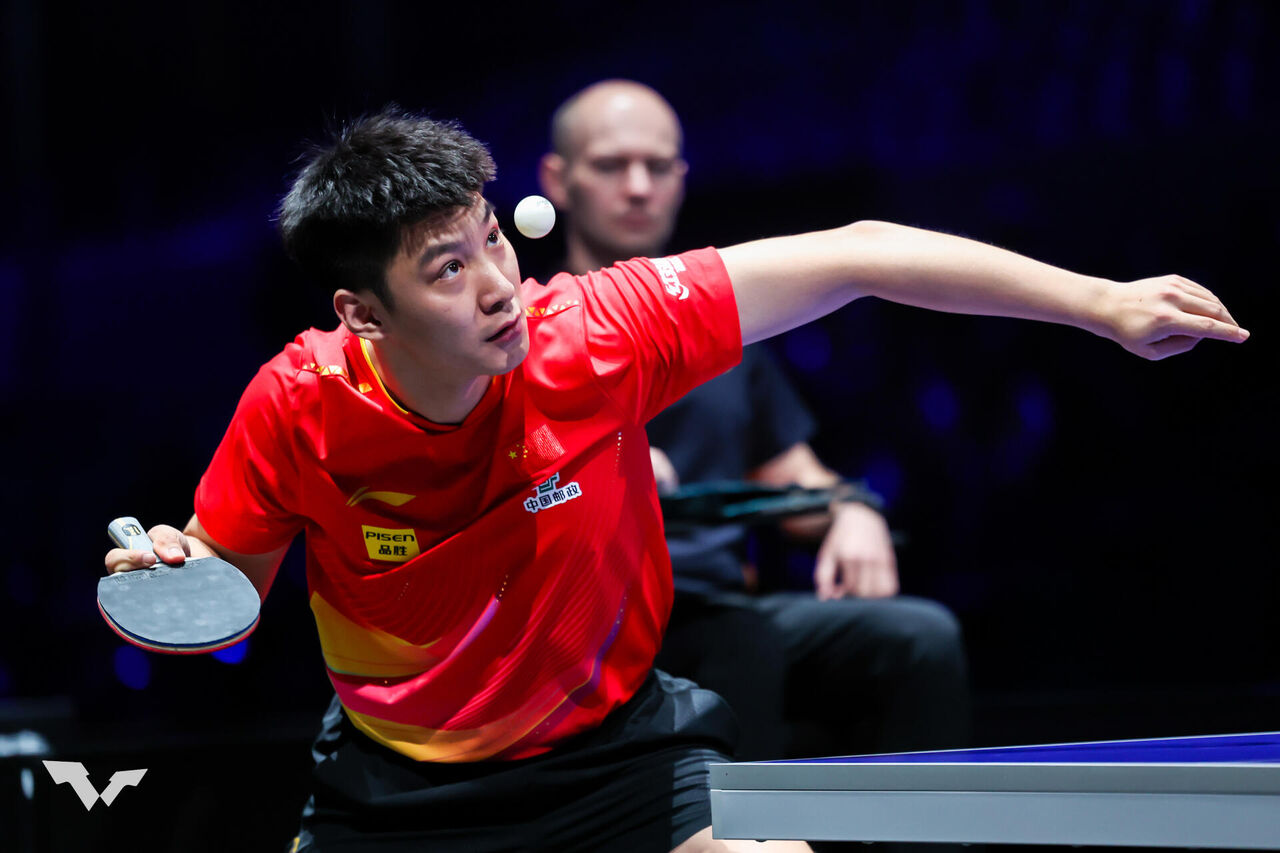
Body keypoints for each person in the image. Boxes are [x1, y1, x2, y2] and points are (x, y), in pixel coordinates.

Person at [104, 106, 1246, 853]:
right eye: (447, 269)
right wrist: (173, 579)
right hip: (396, 787)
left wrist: (1099, 302)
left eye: (493, 238)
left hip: (616, 758)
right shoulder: (297, 406)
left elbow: (857, 252)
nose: (497, 282)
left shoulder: (596, 333)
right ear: (361, 312)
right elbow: (225, 608)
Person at [537, 79, 968, 761]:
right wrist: (602, 465)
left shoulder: (725, 338)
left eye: (658, 166)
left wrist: (852, 507)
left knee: (919, 638)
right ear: (557, 181)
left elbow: (795, 482)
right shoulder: (520, 331)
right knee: (742, 644)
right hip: (578, 625)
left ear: (682, 178)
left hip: (714, 605)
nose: (639, 187)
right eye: (612, 165)